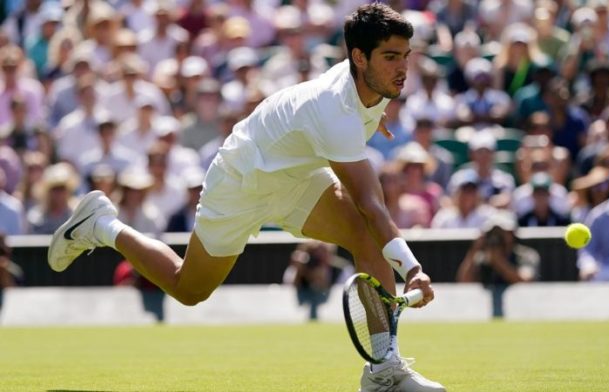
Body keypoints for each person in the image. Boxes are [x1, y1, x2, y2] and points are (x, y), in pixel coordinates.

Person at [47, 5, 443, 392]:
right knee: (188, 289)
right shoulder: (334, 108)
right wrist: (411, 269)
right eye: (391, 57)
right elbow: (374, 203)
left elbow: (363, 184)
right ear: (360, 57)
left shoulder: (375, 85)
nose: (403, 68)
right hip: (242, 177)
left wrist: (374, 115)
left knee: (364, 234)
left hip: (295, 176)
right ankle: (102, 225)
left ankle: (381, 371)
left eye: (406, 56)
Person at [283, 241, 353, 321]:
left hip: (332, 303)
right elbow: (291, 286)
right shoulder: (301, 266)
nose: (320, 255)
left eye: (324, 251)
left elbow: (340, 290)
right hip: (303, 299)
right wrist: (301, 270)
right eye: (316, 252)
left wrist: (321, 277)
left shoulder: (342, 268)